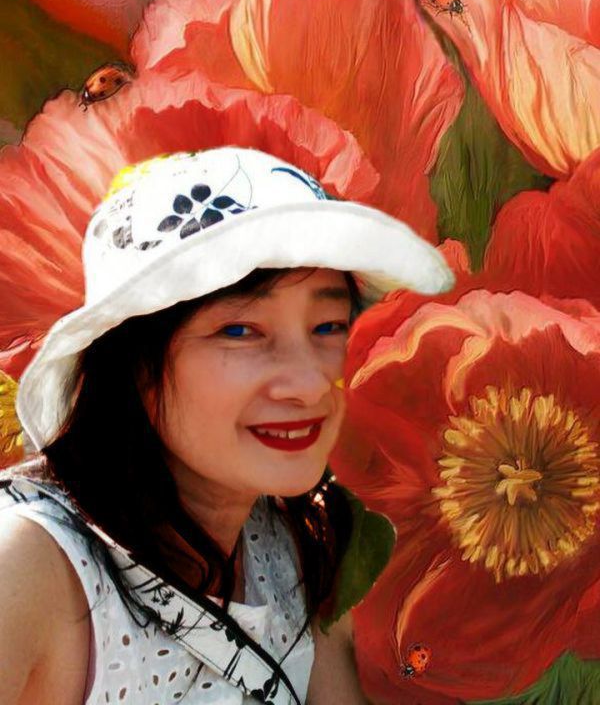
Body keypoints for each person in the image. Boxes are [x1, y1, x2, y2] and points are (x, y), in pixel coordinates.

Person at [0, 147, 453, 704]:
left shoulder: (290, 552)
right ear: (134, 365)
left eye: (329, 325)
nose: (309, 383)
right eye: (240, 331)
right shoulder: (29, 566)